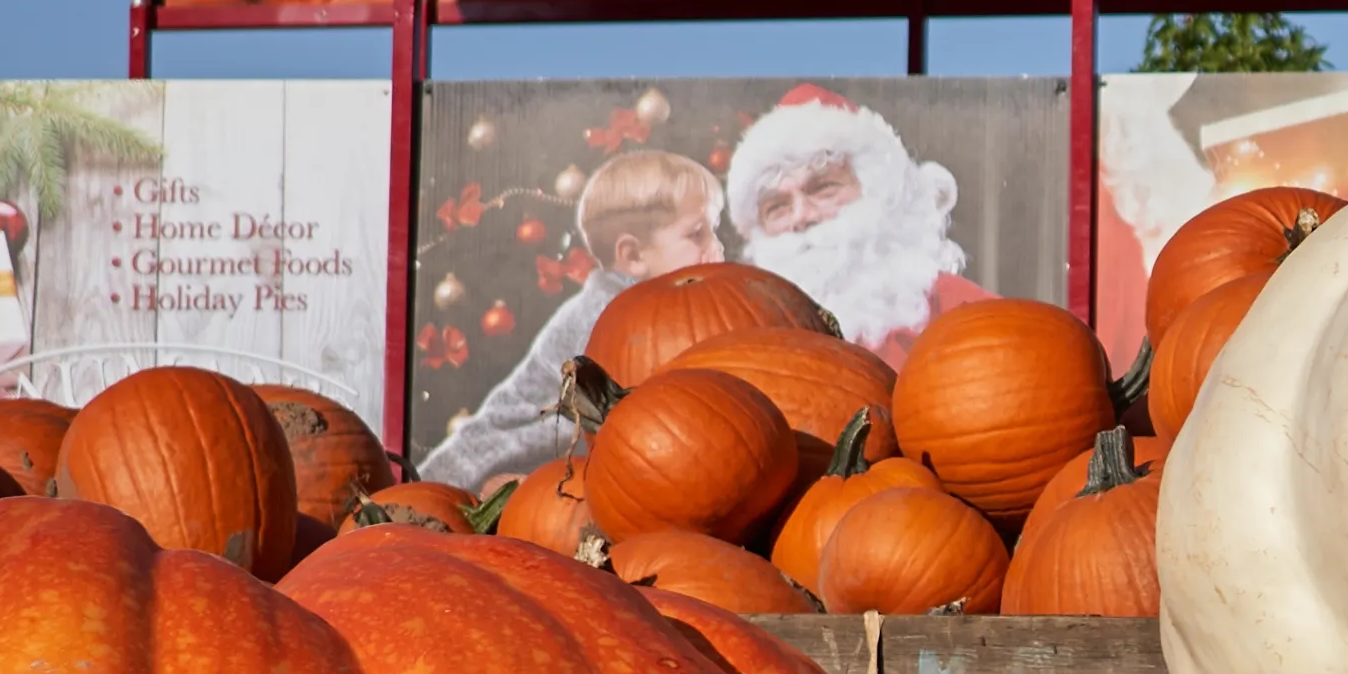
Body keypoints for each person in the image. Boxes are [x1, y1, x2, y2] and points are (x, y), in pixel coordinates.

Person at [415, 145, 724, 487]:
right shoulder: (607, 317)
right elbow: (631, 419)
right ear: (633, 256)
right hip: (500, 459)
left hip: (565, 454)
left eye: (715, 228)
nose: (717, 246)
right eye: (698, 233)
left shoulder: (654, 305)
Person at [723, 88, 993, 357]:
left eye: (823, 188)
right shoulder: (741, 336)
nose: (802, 217)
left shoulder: (969, 314)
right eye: (777, 207)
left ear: (879, 192)